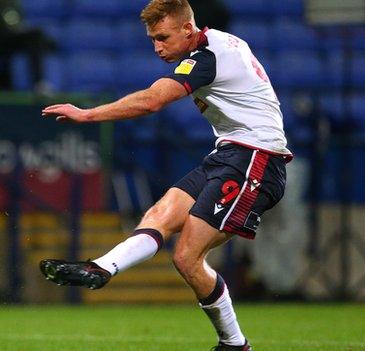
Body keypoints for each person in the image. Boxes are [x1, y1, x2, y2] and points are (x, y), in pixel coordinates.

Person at [39, 0, 292, 350]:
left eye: (163, 37)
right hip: (230, 154)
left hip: (257, 160)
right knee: (160, 214)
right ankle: (101, 268)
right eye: (152, 40)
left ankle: (234, 344)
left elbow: (153, 100)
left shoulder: (208, 57)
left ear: (188, 29)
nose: (158, 47)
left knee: (187, 257)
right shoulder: (217, 43)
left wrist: (87, 115)